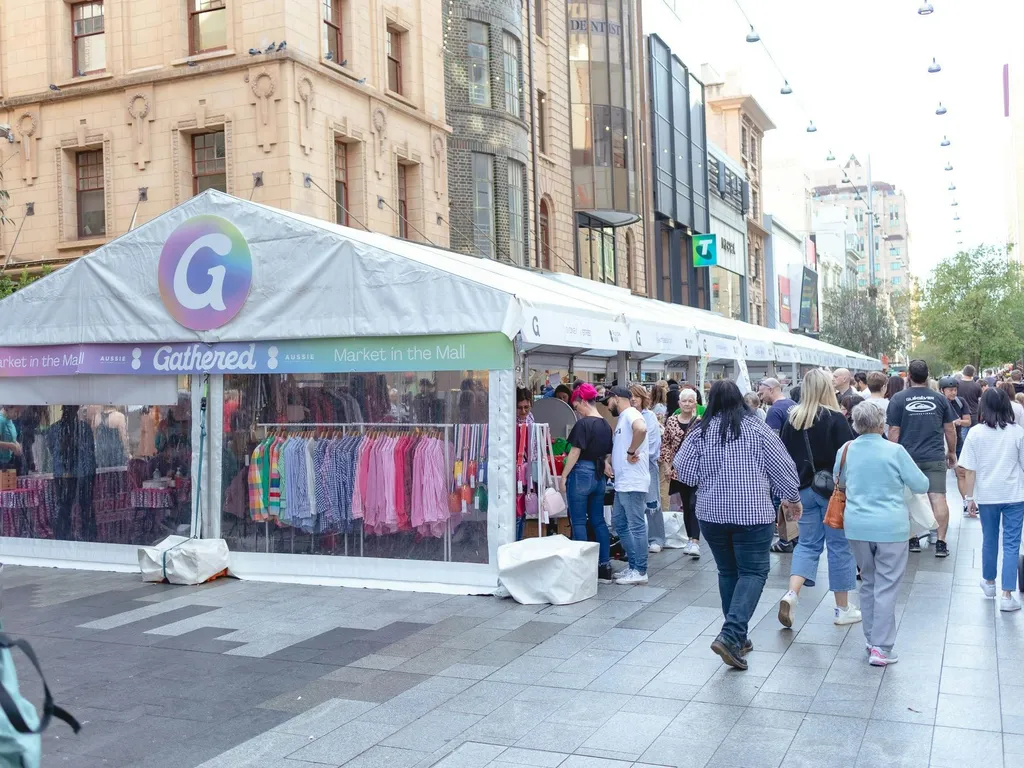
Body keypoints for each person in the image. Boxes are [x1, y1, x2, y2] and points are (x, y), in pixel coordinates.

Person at [675, 380, 802, 671]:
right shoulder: (757, 428)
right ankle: (731, 635)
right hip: (752, 515)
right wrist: (791, 498)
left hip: (711, 514)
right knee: (754, 571)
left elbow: (685, 472)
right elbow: (782, 466)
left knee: (728, 571)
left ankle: (738, 637)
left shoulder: (700, 431)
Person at [842, 401, 929, 666]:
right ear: (882, 424)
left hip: (857, 526)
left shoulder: (846, 450)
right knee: (888, 583)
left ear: (856, 425)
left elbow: (841, 481)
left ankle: (871, 639)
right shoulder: (895, 451)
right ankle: (881, 646)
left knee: (868, 580)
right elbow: (921, 483)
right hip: (891, 526)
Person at [778, 369, 861, 628]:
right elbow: (849, 456)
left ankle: (792, 594)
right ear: (827, 388)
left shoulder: (792, 419)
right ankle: (842, 609)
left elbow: (783, 457)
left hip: (802, 491)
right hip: (833, 492)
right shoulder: (835, 418)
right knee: (839, 548)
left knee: (807, 544)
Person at [960, 387, 1024, 612]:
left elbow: (969, 470)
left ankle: (989, 583)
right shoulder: (1018, 432)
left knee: (989, 539)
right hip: (1015, 495)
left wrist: (969, 498)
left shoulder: (976, 433)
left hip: (987, 495)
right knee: (1011, 543)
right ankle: (1007, 595)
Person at [887, 359, 957, 557]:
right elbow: (950, 428)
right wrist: (951, 452)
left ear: (909, 375)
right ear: (927, 376)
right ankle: (941, 542)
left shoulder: (898, 399)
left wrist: (892, 456)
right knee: (938, 498)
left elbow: (893, 430)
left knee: (908, 499)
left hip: (907, 458)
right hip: (934, 455)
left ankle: (913, 539)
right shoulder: (940, 399)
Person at [559, 384, 615, 583]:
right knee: (598, 521)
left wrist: (564, 476)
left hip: (581, 473)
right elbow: (607, 453)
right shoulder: (606, 425)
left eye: (576, 406)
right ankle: (604, 565)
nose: (577, 411)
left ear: (583, 401)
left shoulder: (583, 425)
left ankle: (583, 568)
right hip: (599, 474)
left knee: (579, 521)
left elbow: (575, 452)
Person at [605, 386, 650, 585]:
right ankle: (634, 566)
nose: (606, 406)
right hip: (624, 482)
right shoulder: (624, 417)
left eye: (607, 401)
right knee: (620, 524)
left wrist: (631, 452)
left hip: (632, 481)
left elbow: (641, 428)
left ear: (616, 398)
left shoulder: (630, 412)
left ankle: (640, 569)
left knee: (635, 525)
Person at [661, 388, 702, 557]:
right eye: (683, 401)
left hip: (698, 469)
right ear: (679, 403)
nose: (686, 404)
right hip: (679, 470)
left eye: (690, 401)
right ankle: (689, 539)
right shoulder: (671, 421)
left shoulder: (701, 421)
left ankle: (695, 541)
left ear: (695, 403)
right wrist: (666, 466)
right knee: (686, 504)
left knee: (694, 504)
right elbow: (666, 445)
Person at [630, 385, 665, 555]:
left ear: (644, 398)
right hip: (629, 465)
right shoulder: (626, 416)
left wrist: (636, 453)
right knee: (634, 502)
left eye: (637, 396)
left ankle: (656, 538)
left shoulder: (649, 416)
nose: (634, 399)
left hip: (647, 463)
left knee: (652, 501)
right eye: (631, 396)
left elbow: (653, 442)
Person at [939, 376, 973, 517]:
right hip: (940, 443)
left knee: (961, 472)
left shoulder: (960, 402)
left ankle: (966, 502)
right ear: (942, 390)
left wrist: (959, 422)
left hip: (957, 442)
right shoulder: (939, 402)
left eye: (955, 390)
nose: (953, 393)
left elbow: (968, 421)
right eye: (950, 390)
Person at [0, 406, 22, 472]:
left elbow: (9, 437)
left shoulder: (9, 419)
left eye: (19, 412)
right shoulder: (1, 420)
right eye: (16, 411)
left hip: (8, 462)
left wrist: (17, 445)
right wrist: (10, 445)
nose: (18, 415)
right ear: (7, 408)